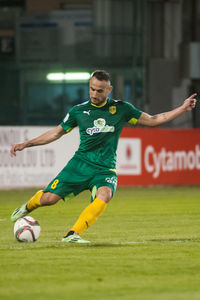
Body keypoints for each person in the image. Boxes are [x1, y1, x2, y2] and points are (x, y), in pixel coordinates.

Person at [10, 70, 197, 244]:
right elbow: (56, 133)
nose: (94, 94)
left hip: (105, 168)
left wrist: (181, 109)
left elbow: (154, 120)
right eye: (91, 89)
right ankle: (27, 207)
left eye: (99, 90)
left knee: (105, 194)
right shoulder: (78, 111)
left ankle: (72, 234)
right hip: (79, 165)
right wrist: (27, 144)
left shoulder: (122, 108)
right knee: (49, 199)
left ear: (109, 90)